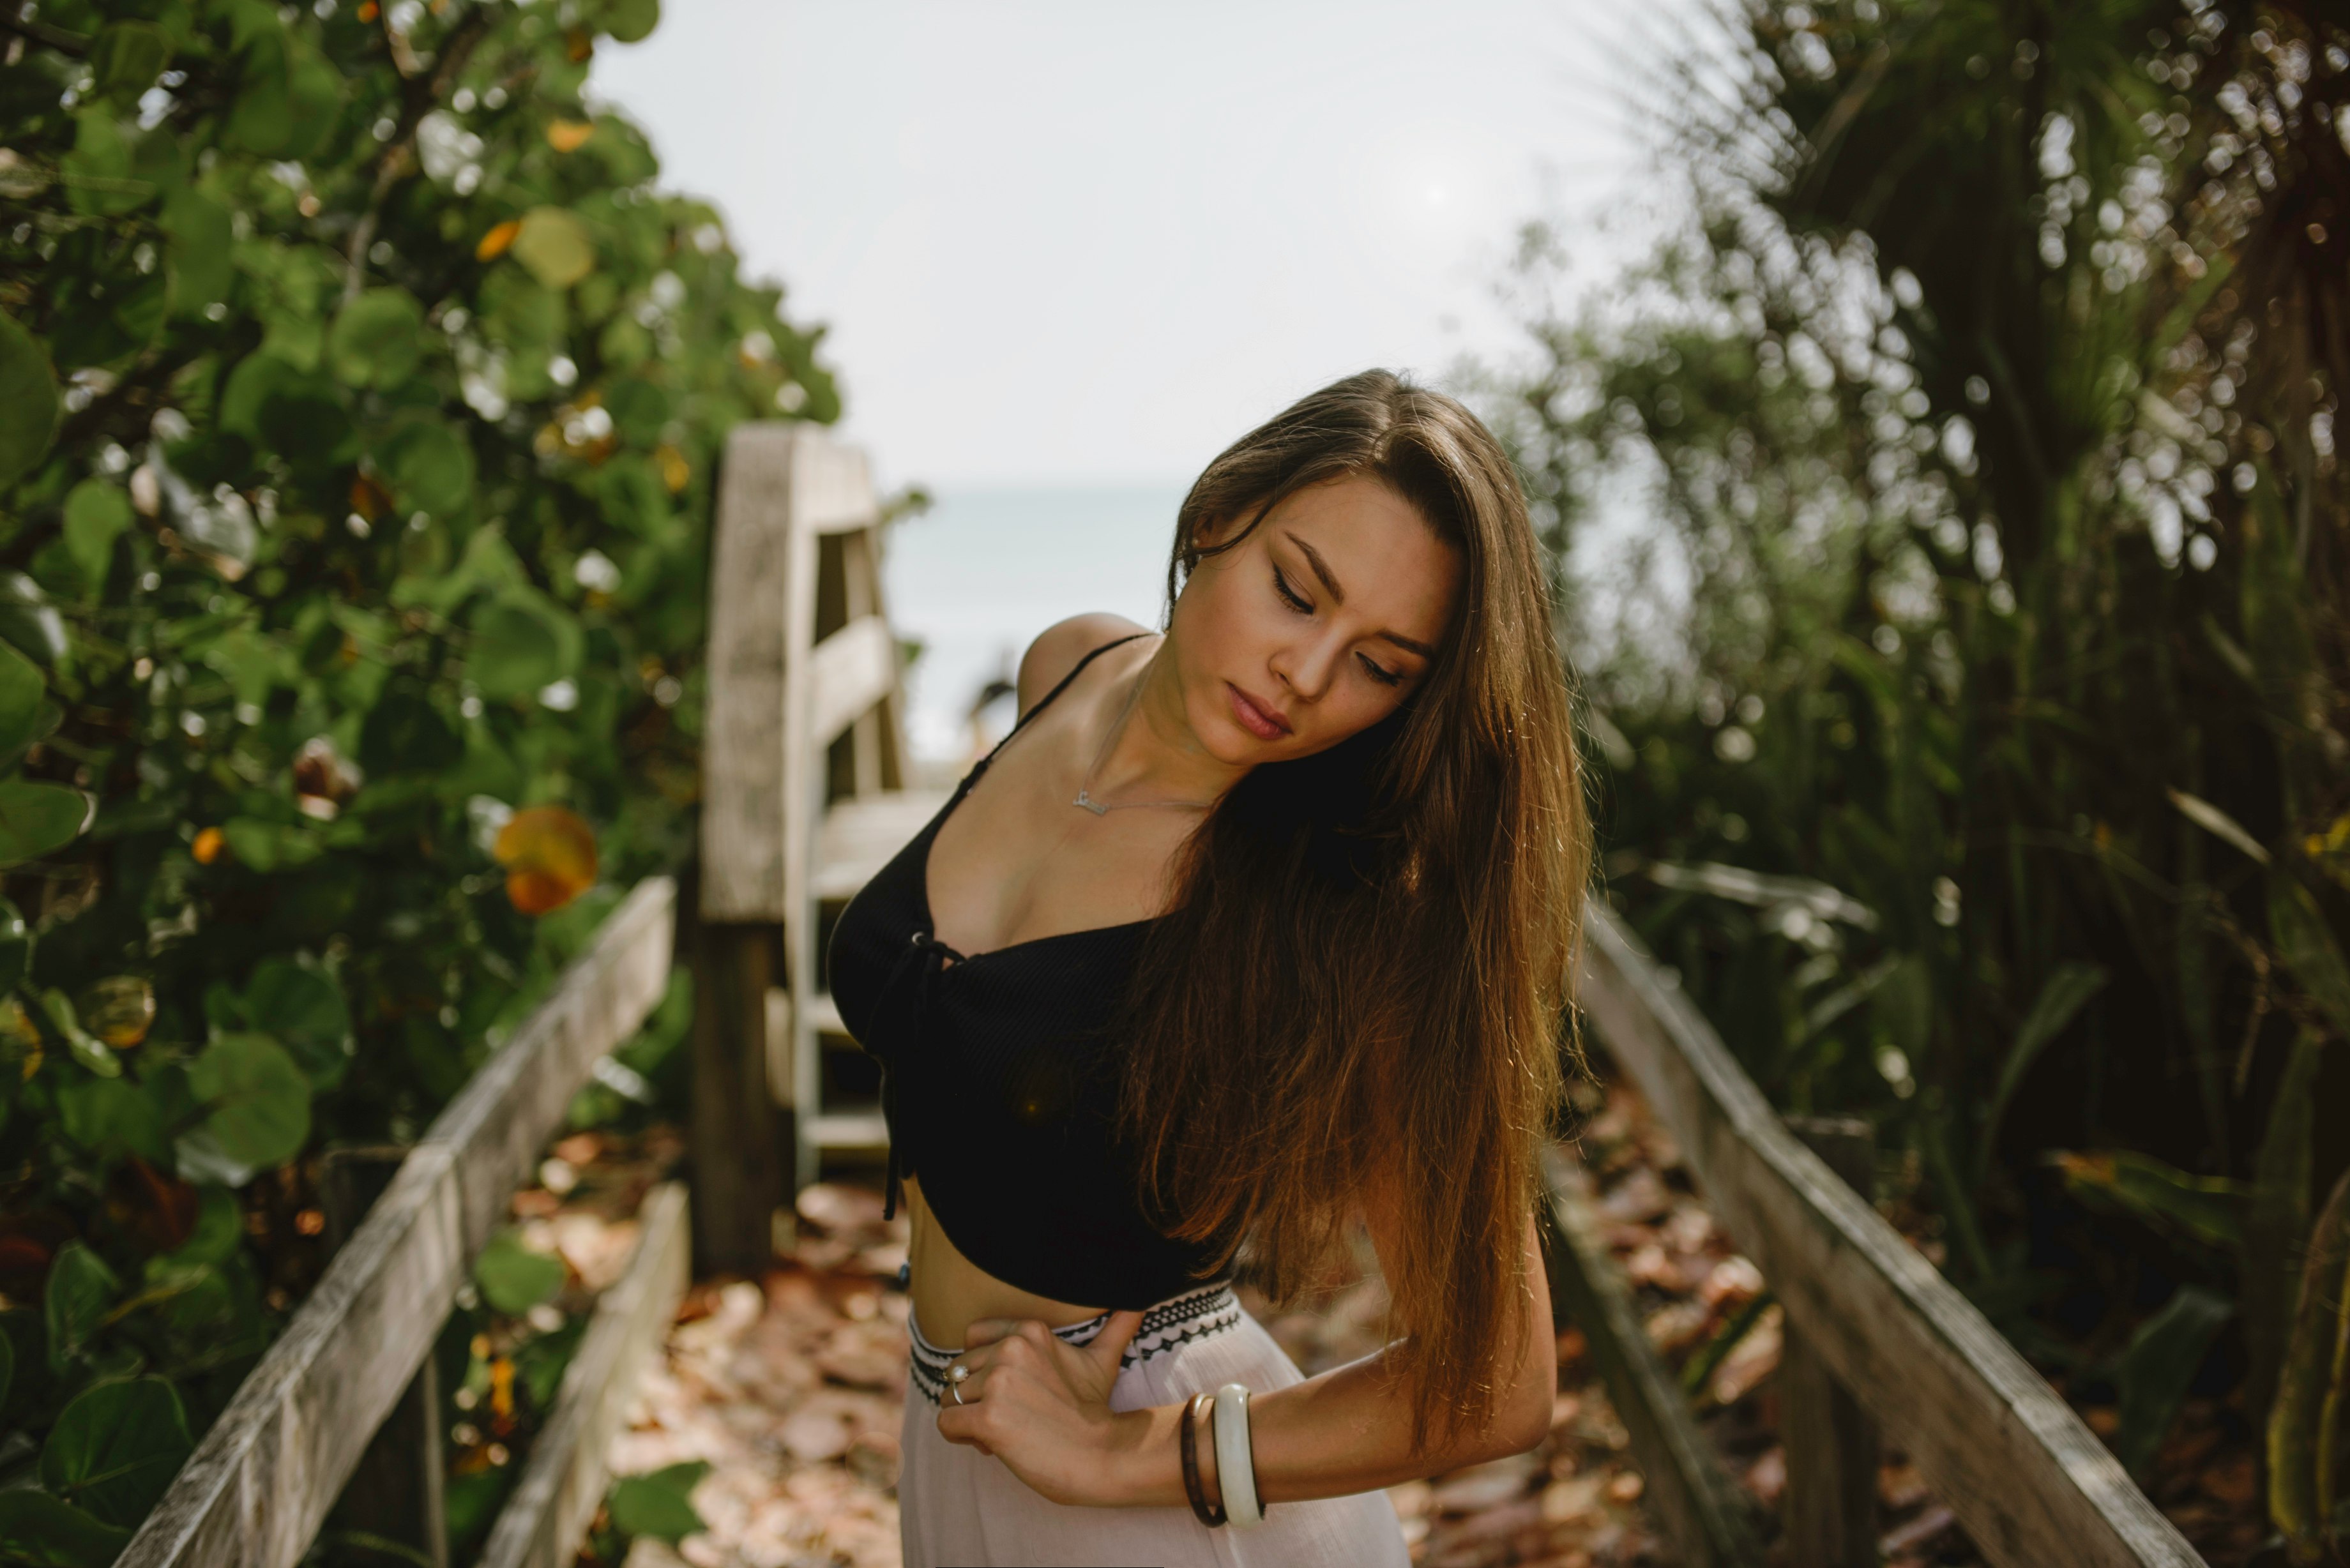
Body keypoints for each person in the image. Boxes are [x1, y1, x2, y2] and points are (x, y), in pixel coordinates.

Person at [828, 369, 1589, 1567]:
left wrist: (1138, 1456)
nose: (1306, 672)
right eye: (1298, 591)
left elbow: (1499, 1379)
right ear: (1217, 515)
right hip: (961, 1448)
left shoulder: (1338, 918)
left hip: (1156, 1506)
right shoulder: (1065, 671)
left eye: (1381, 666)